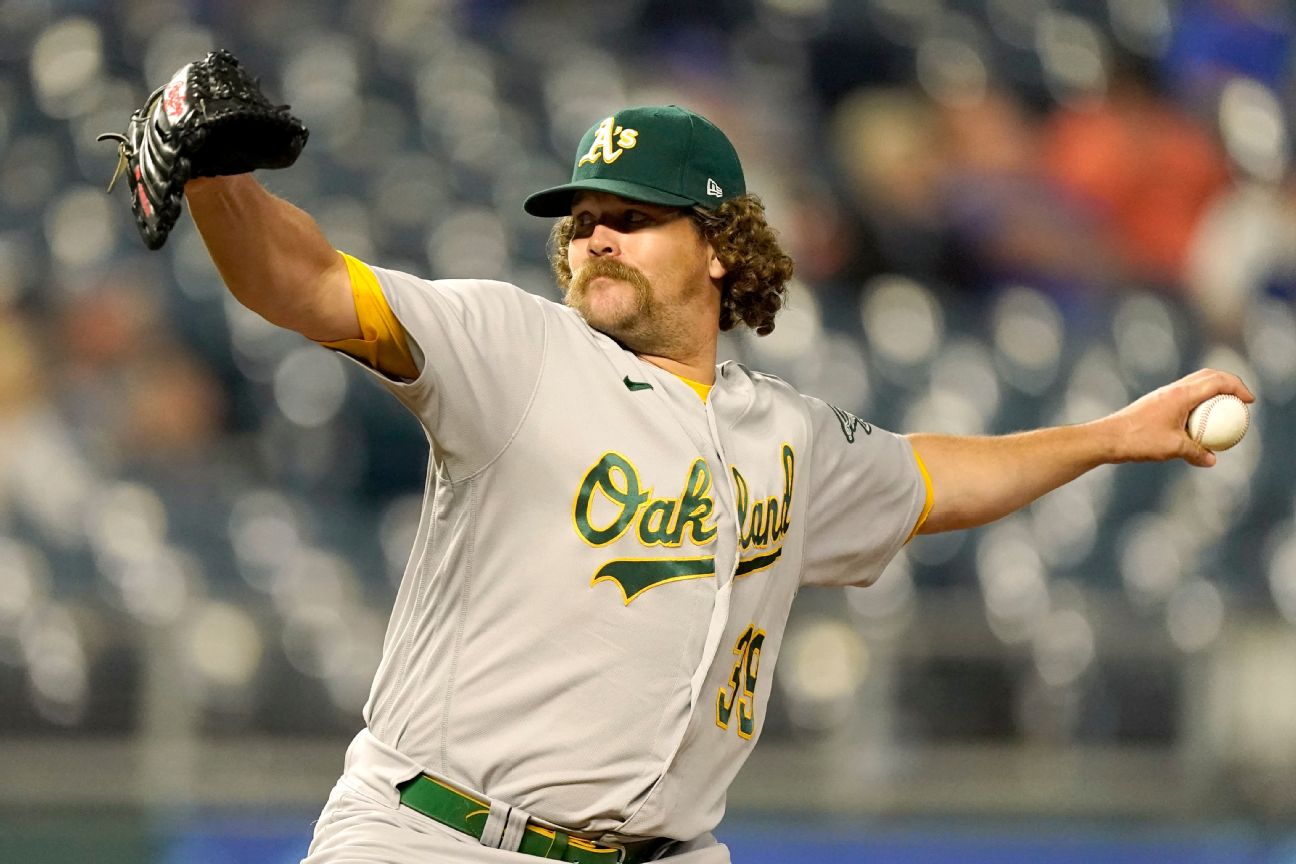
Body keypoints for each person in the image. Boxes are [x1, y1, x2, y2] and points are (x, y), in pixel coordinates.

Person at [180, 100, 1251, 863]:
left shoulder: (785, 431)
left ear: (723, 248)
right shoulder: (515, 351)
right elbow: (307, 281)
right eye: (585, 216)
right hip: (439, 836)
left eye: (633, 216)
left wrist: (1110, 437)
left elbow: (931, 477)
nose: (596, 233)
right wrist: (219, 181)